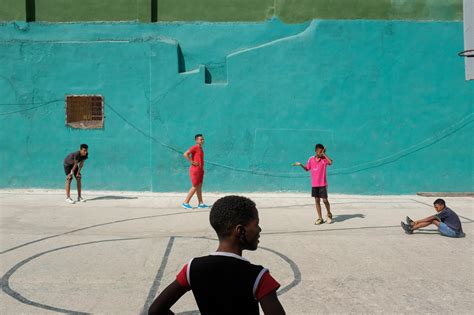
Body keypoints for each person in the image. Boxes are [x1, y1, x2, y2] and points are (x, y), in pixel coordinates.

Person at [149, 195, 285, 315]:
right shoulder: (259, 276)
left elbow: (155, 310)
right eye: (256, 224)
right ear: (240, 230)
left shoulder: (192, 268)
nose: (259, 229)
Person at [292, 144, 333, 225]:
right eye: (320, 151)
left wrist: (324, 154)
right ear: (316, 151)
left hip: (322, 184)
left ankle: (329, 214)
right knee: (317, 200)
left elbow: (330, 162)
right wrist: (300, 164)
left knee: (325, 200)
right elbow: (307, 169)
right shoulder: (311, 159)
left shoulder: (324, 159)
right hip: (314, 185)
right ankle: (320, 218)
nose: (321, 153)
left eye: (322, 151)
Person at [182, 134, 208, 209]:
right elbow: (185, 154)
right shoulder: (195, 147)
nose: (202, 141)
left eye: (203, 139)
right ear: (196, 140)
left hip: (200, 170)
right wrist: (192, 161)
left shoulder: (200, 148)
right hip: (195, 170)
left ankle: (201, 203)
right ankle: (185, 202)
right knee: (195, 186)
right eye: (201, 139)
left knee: (199, 186)